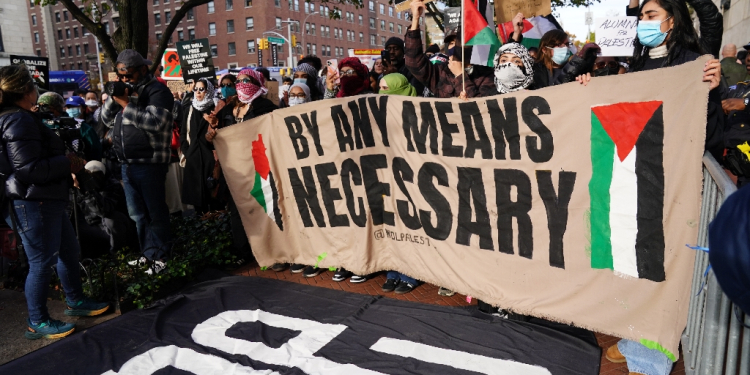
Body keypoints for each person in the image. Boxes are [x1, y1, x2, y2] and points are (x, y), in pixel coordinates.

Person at [577, 1, 723, 373]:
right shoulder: (639, 66)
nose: (642, 22)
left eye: (650, 15)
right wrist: (588, 90)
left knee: (661, 267)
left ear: (672, 20)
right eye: (641, 16)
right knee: (636, 265)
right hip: (640, 182)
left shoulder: (695, 63)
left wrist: (711, 91)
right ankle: (636, 337)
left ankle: (651, 355)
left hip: (672, 186)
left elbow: (712, 132)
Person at [0, 65, 109, 340]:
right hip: (33, 202)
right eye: (33, 85)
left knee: (68, 252)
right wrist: (68, 162)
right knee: (40, 262)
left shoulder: (22, 117)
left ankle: (75, 301)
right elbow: (28, 169)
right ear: (26, 91)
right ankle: (37, 321)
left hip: (46, 198)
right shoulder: (17, 120)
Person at [101, 49, 174, 274]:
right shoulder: (125, 92)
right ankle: (148, 253)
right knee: (138, 215)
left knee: (155, 212)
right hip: (127, 163)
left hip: (150, 162)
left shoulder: (158, 91)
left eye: (128, 76)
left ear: (143, 70)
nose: (125, 81)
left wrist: (126, 104)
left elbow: (155, 123)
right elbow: (104, 119)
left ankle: (162, 256)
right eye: (121, 77)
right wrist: (116, 99)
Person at [205, 68, 278, 265]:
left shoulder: (266, 108)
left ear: (257, 83)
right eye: (238, 81)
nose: (241, 84)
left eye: (247, 80)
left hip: (259, 167)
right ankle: (244, 253)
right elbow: (214, 139)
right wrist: (211, 134)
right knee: (238, 211)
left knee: (264, 210)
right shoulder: (227, 110)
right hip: (235, 171)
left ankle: (272, 252)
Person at [378, 73, 422, 294]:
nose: (382, 93)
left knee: (409, 225)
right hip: (386, 176)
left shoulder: (417, 109)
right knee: (390, 226)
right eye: (381, 88)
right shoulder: (377, 110)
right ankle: (393, 272)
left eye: (387, 88)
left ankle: (410, 275)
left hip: (409, 177)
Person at [405, 0, 500, 99]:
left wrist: (460, 75)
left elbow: (482, 107)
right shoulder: (441, 71)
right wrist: (415, 20)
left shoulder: (486, 75)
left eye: (460, 42)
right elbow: (413, 62)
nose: (455, 46)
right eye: (451, 43)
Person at [180, 78, 219, 214]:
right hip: (194, 158)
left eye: (201, 89)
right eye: (195, 89)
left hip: (210, 159)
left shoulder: (214, 109)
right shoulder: (189, 109)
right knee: (197, 200)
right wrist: (187, 151)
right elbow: (183, 133)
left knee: (213, 196)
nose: (197, 92)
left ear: (208, 91)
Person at [530, 29, 600, 89]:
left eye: (567, 44)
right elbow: (554, 92)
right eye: (559, 44)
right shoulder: (534, 72)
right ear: (544, 50)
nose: (565, 48)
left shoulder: (578, 70)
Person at [64, 95, 103, 161]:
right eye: (69, 107)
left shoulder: (86, 129)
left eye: (75, 107)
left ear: (83, 108)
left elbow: (95, 150)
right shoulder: (62, 125)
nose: (71, 109)